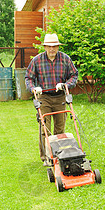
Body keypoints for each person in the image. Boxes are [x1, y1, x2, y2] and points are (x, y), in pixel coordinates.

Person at [25, 33, 78, 165]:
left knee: (60, 129)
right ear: (45, 47)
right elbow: (28, 78)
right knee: (45, 129)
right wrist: (33, 88)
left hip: (60, 96)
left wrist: (65, 85)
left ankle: (60, 155)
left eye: (54, 46)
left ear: (58, 47)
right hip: (44, 98)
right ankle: (47, 158)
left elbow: (74, 75)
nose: (52, 49)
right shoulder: (37, 61)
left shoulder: (65, 59)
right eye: (49, 46)